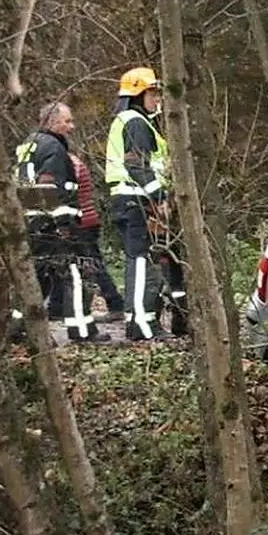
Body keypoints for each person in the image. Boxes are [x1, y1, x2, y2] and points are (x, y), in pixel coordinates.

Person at [12, 101, 109, 343]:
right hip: (53, 225)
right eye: (67, 121)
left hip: (31, 223)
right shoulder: (54, 148)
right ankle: (82, 330)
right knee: (77, 273)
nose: (71, 126)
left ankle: (17, 326)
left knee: (37, 276)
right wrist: (65, 226)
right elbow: (56, 191)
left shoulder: (28, 144)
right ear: (51, 122)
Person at [104, 67, 182, 341]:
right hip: (135, 200)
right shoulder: (135, 123)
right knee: (139, 263)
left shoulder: (136, 122)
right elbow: (137, 165)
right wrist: (159, 197)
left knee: (145, 261)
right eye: (152, 93)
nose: (157, 99)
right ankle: (139, 325)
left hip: (135, 200)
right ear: (138, 94)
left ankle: (145, 320)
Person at [48, 150, 125, 323]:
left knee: (91, 265)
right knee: (66, 264)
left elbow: (66, 193)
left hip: (81, 222)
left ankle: (115, 304)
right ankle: (56, 307)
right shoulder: (69, 161)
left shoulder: (68, 163)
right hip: (84, 220)